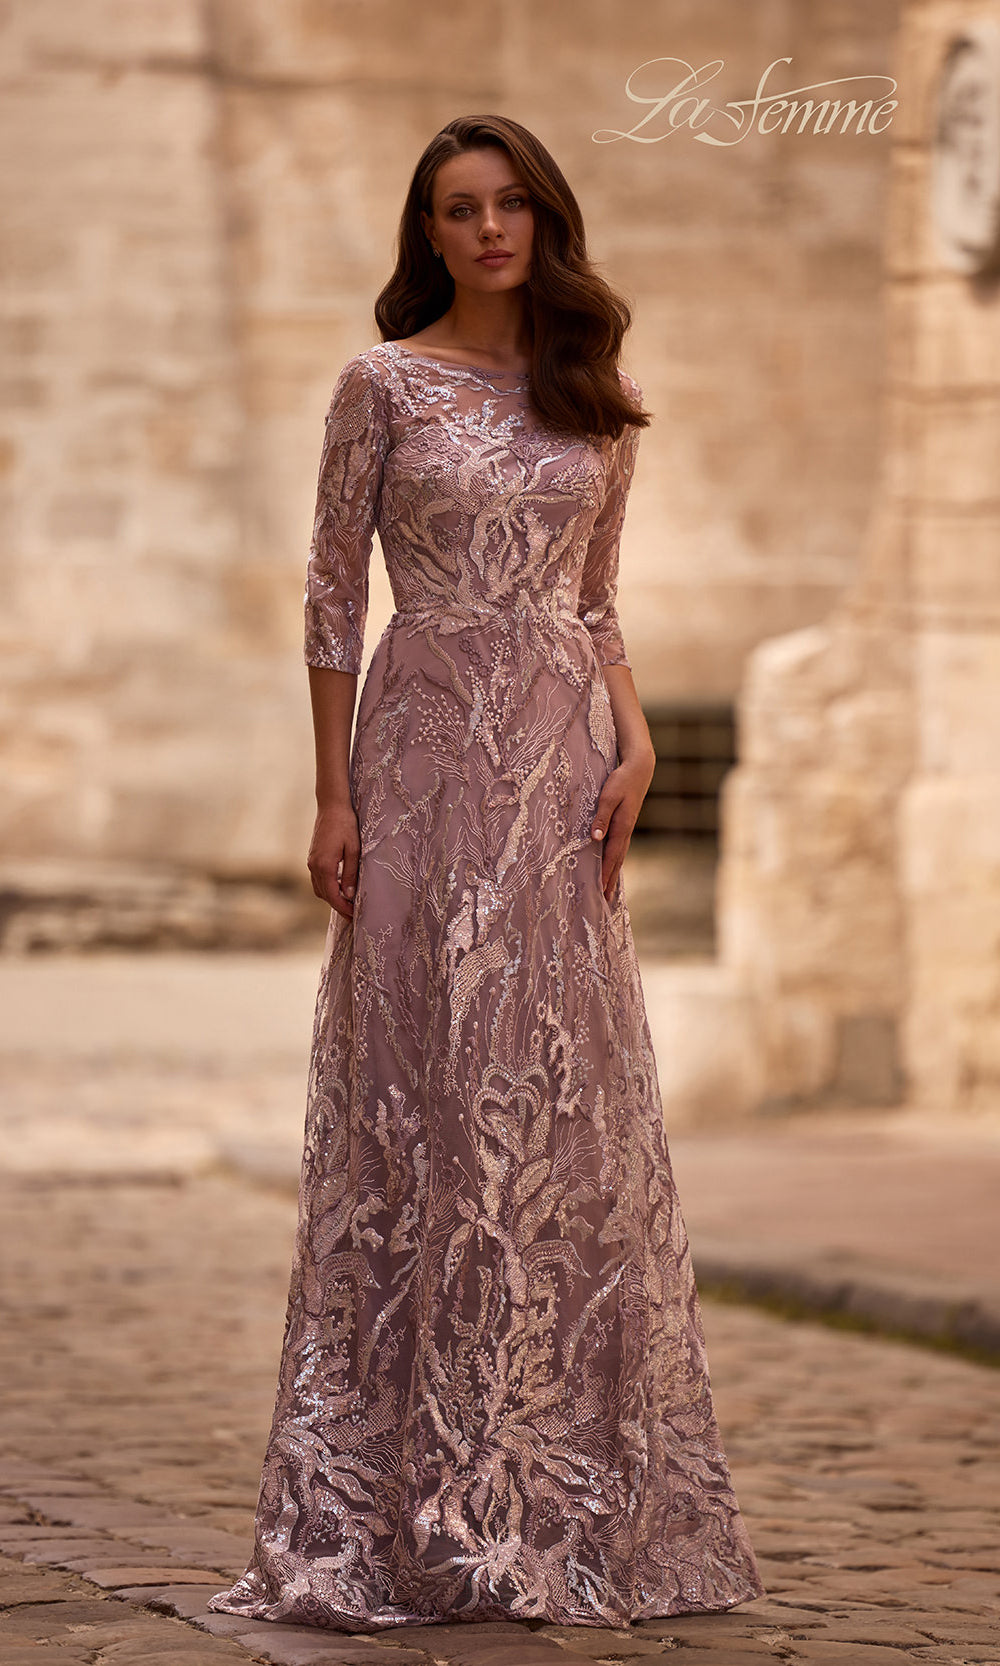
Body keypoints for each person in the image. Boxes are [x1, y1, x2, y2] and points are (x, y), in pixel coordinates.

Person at [207, 113, 765, 1634]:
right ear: (429, 234)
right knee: (419, 1103)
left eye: (511, 202)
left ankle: (544, 1488)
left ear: (546, 218)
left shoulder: (600, 395)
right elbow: (331, 599)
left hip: (562, 773)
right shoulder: (378, 386)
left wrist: (636, 741)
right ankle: (399, 1506)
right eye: (460, 209)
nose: (490, 229)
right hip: (421, 761)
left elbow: (596, 603)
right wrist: (332, 794)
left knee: (552, 1112)